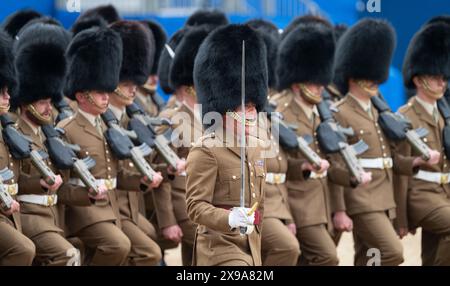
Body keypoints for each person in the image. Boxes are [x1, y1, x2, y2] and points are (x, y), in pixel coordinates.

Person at [186, 24, 267, 266]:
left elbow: (260, 202)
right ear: (225, 109)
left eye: (254, 106)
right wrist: (228, 217)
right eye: (245, 107)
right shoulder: (206, 149)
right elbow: (195, 206)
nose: (251, 113)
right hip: (218, 245)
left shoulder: (256, 147)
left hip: (250, 244)